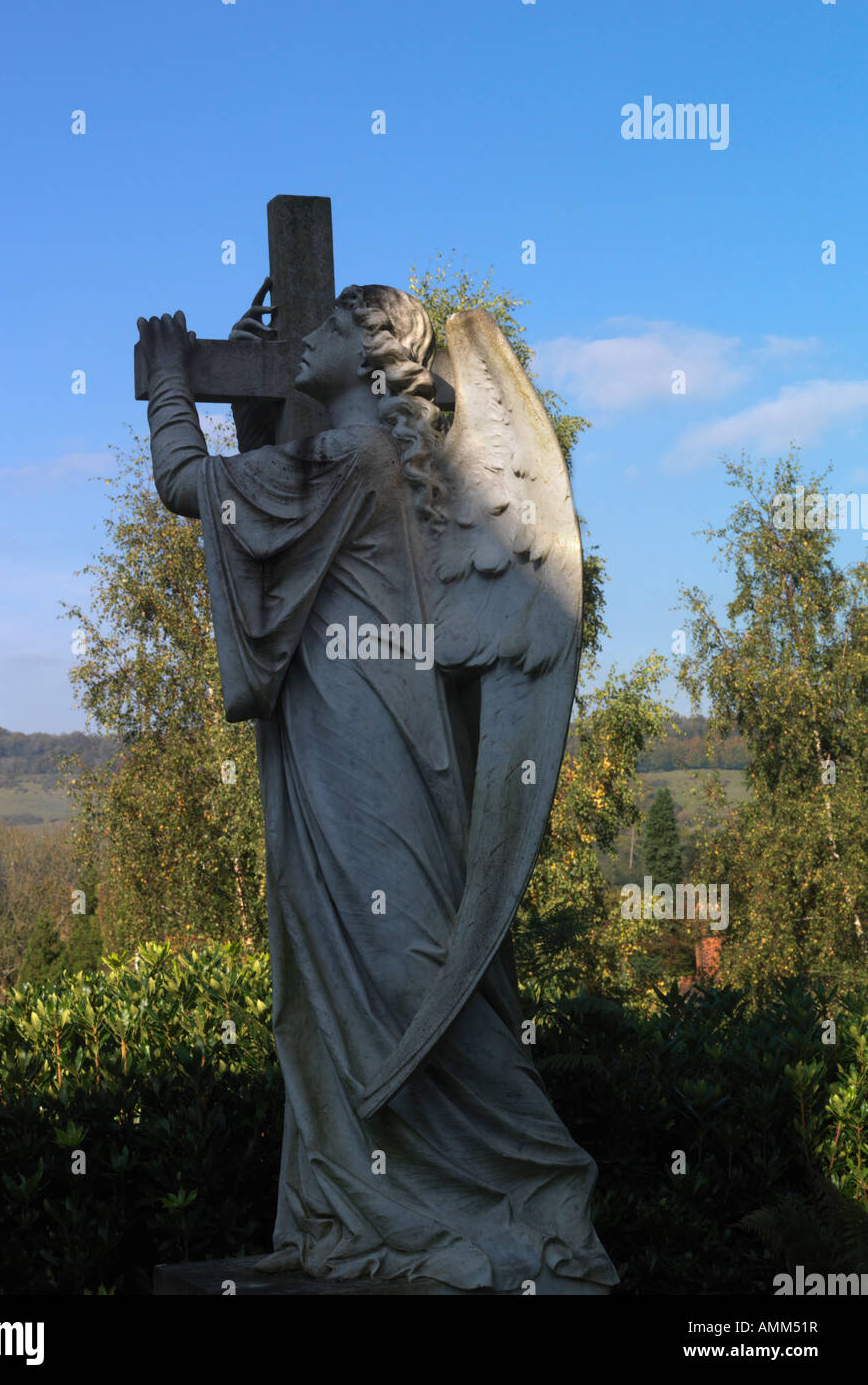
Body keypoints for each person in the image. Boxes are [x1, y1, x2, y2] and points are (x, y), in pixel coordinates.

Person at [136, 284, 618, 1293]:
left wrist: (171, 374)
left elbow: (191, 486)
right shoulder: (379, 465)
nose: (295, 337)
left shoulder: (349, 457)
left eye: (320, 328)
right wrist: (253, 410)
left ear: (364, 356)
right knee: (356, 968)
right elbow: (280, 534)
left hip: (359, 744)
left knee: (405, 967)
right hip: (366, 736)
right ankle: (368, 1189)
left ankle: (528, 1177)